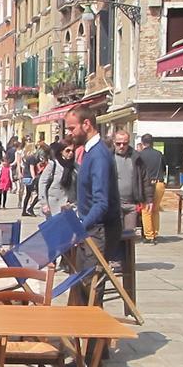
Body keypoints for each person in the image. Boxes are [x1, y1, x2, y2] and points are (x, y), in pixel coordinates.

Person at [65, 105, 122, 315]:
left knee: (91, 287)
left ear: (86, 124)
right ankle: (79, 341)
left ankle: (95, 346)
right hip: (90, 227)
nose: (69, 133)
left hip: (100, 229)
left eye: (72, 128)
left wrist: (82, 225)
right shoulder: (89, 152)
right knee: (80, 284)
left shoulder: (99, 155)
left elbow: (101, 202)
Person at [112, 131, 152, 233]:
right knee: (116, 236)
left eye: (125, 143)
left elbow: (145, 179)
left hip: (132, 204)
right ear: (113, 142)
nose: (121, 146)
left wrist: (149, 199)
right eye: (118, 143)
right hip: (115, 204)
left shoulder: (136, 158)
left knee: (130, 238)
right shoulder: (108, 158)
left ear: (128, 142)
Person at [137, 133, 165, 244]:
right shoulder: (159, 154)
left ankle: (149, 235)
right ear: (152, 142)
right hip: (159, 183)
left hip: (146, 184)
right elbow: (164, 167)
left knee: (146, 210)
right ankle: (155, 233)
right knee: (155, 210)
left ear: (143, 143)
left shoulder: (140, 155)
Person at [38, 140, 77, 218]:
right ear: (61, 151)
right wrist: (44, 203)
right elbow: (42, 182)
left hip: (70, 206)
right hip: (54, 206)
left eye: (73, 151)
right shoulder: (54, 164)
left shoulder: (75, 167)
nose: (71, 153)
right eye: (68, 151)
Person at [19, 143, 41, 216]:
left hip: (25, 177)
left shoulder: (25, 157)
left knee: (28, 195)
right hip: (30, 177)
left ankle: (24, 211)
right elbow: (32, 168)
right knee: (39, 194)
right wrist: (34, 177)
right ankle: (30, 208)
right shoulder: (31, 157)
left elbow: (24, 167)